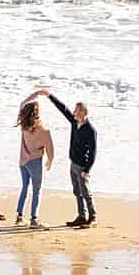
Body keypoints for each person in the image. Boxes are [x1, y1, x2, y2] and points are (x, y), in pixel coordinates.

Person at [40, 87, 98, 227]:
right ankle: (81, 216)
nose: (73, 113)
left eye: (76, 111)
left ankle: (93, 217)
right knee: (76, 191)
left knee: (85, 192)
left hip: (82, 166)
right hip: (73, 163)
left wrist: (87, 170)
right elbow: (63, 109)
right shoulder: (74, 122)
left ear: (83, 113)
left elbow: (93, 152)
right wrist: (50, 96)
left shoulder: (90, 130)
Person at [14, 92, 54, 228]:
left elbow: (22, 104)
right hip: (35, 162)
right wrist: (50, 160)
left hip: (22, 161)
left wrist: (36, 94)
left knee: (25, 187)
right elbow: (50, 148)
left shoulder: (24, 125)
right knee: (37, 189)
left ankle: (19, 216)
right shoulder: (43, 131)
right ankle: (34, 219)